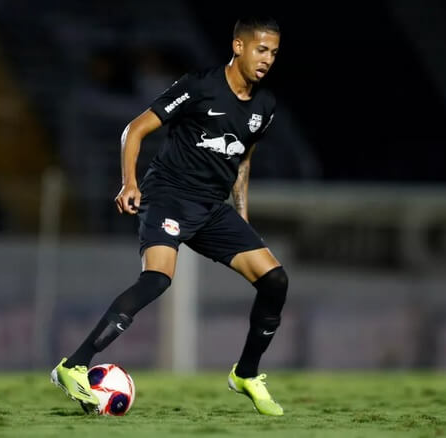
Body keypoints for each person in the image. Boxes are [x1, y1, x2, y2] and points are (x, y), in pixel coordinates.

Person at [51, 16, 287, 416]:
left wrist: (242, 215)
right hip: (169, 196)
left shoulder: (264, 106)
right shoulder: (200, 86)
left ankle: (246, 374)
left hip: (212, 209)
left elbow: (243, 158)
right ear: (239, 47)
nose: (267, 59)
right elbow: (135, 129)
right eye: (261, 50)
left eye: (275, 53)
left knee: (275, 280)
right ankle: (72, 365)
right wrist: (129, 183)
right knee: (158, 279)